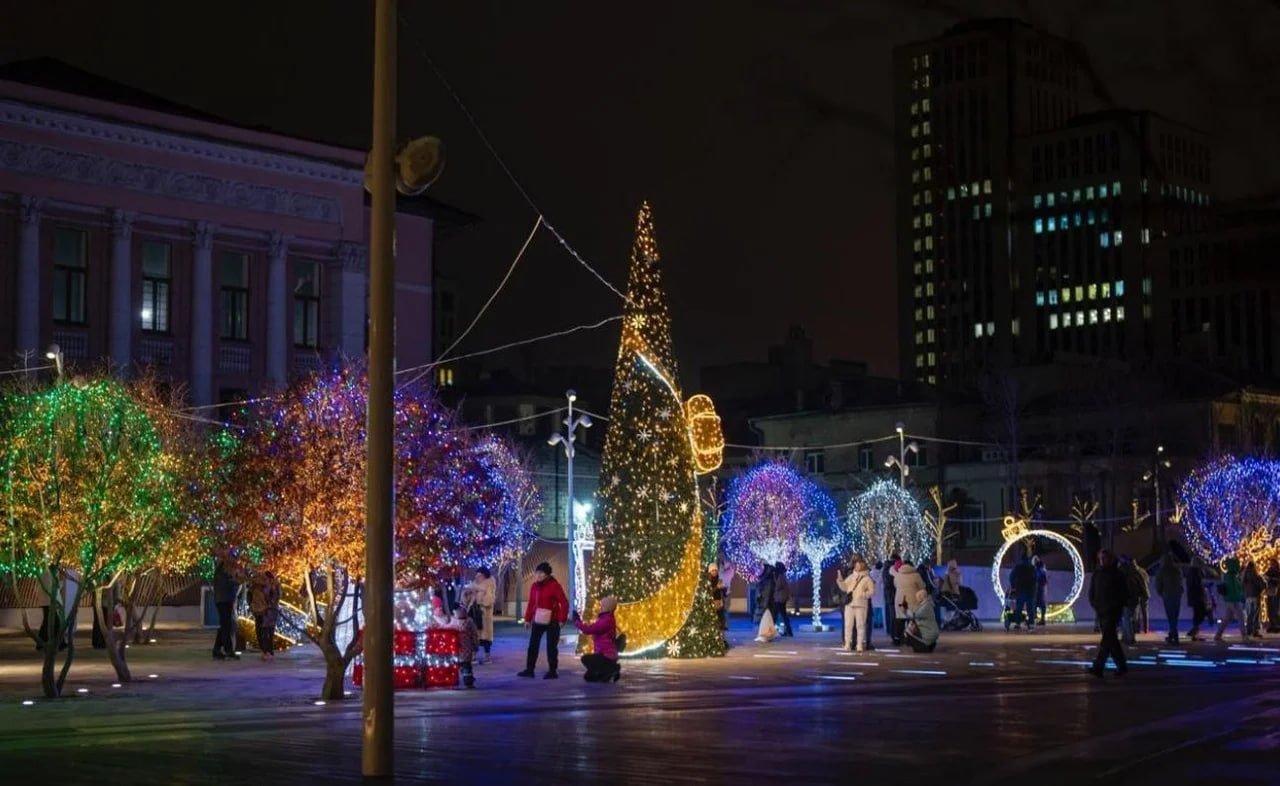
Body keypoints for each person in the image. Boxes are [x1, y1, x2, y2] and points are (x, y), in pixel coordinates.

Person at [517, 562, 568, 679]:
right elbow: (531, 603)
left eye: (541, 573)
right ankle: (529, 669)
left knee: (551, 646)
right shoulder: (534, 586)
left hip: (553, 620)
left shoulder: (554, 586)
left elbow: (564, 603)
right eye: (537, 572)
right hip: (538, 619)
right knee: (533, 645)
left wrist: (562, 619)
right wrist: (527, 619)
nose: (538, 575)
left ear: (547, 574)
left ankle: (552, 671)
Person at [1089, 549, 1130, 678]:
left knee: (1107, 639)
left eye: (1105, 558)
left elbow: (1123, 593)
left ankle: (1098, 667)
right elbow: (1092, 592)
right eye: (1101, 558)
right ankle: (1122, 666)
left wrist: (1116, 606)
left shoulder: (1117, 574)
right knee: (1111, 640)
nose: (1102, 560)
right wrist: (1095, 605)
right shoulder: (1098, 574)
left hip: (1112, 612)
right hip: (1101, 611)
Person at [573, 595, 621, 683]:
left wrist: (577, 622)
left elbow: (589, 629)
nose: (600, 607)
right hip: (603, 654)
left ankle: (612, 668)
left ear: (608, 608)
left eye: (603, 606)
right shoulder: (605, 618)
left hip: (606, 656)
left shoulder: (606, 620)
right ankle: (604, 672)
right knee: (588, 677)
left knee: (585, 659)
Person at [837, 559, 876, 652]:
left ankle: (859, 645)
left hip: (861, 605)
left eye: (859, 565)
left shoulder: (867, 578)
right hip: (850, 604)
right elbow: (845, 587)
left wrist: (864, 595)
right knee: (848, 625)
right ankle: (847, 644)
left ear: (862, 566)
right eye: (856, 565)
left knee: (860, 625)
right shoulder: (851, 577)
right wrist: (840, 581)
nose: (857, 567)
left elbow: (872, 591)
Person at [249, 569, 281, 661]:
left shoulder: (273, 585)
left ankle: (268, 650)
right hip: (261, 610)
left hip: (269, 611)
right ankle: (266, 650)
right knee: (263, 631)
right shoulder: (256, 586)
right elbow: (251, 596)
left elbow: (276, 596)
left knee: (268, 631)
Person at [211, 559, 240, 661]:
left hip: (226, 601)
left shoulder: (224, 573)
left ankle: (217, 649)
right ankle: (228, 650)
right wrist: (235, 581)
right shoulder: (221, 574)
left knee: (225, 625)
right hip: (223, 601)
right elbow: (228, 584)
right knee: (226, 626)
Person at [892, 560, 926, 643]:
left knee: (900, 619)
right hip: (912, 600)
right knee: (912, 620)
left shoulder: (897, 575)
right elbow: (922, 586)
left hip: (900, 599)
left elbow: (895, 585)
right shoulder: (916, 575)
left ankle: (898, 638)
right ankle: (912, 638)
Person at [1215, 558, 1247, 643]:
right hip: (1234, 600)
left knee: (1227, 618)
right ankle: (1244, 636)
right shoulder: (1232, 576)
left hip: (1230, 600)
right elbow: (1235, 589)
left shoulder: (1228, 575)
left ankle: (1218, 635)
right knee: (1241, 618)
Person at [1155, 556, 1184, 645]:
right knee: (1175, 615)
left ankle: (1174, 635)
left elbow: (1158, 583)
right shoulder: (1177, 570)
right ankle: (1172, 634)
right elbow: (1180, 581)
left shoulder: (1162, 570)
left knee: (1171, 616)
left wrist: (1160, 592)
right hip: (1177, 595)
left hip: (1167, 595)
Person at [471, 567, 496, 664]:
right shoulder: (474, 585)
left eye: (479, 575)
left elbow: (489, 601)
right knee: (475, 635)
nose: (477, 577)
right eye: (477, 575)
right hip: (475, 614)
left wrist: (479, 600)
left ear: (484, 575)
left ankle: (487, 657)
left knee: (485, 637)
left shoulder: (490, 585)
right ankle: (473, 657)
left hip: (485, 615)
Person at [1007, 554, 1037, 632]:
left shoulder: (1018, 567)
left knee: (1019, 607)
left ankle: (1018, 623)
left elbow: (1011, 577)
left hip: (1020, 589)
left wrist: (1013, 586)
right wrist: (1034, 588)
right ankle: (1031, 624)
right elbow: (1035, 579)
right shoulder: (1032, 567)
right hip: (1030, 590)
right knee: (1030, 608)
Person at [1185, 559, 1210, 641]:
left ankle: (1195, 631)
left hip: (1195, 596)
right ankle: (1194, 630)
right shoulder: (1196, 572)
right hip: (1198, 597)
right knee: (1200, 613)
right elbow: (1198, 585)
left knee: (1198, 613)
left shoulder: (1192, 572)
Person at [1243, 561, 1266, 639]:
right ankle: (1255, 631)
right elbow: (1263, 585)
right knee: (1256, 615)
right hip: (1255, 596)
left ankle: (1249, 630)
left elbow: (1242, 585)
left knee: (1249, 614)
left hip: (1248, 597)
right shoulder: (1256, 576)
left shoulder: (1245, 577)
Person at [881, 554, 899, 644]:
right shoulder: (892, 568)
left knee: (891, 615)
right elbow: (890, 582)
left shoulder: (885, 568)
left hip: (888, 595)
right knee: (894, 616)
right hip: (893, 594)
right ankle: (894, 634)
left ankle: (891, 632)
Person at [772, 562, 794, 637]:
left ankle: (771, 629)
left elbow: (778, 586)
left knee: (777, 615)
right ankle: (788, 631)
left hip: (780, 599)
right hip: (781, 598)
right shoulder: (782, 576)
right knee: (782, 615)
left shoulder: (781, 576)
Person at [706, 563, 728, 632]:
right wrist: (717, 587)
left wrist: (724, 588)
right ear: (710, 571)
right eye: (713, 570)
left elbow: (724, 593)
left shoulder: (719, 579)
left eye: (715, 570)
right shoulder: (708, 581)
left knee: (721, 615)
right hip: (712, 601)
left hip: (719, 601)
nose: (714, 572)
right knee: (714, 616)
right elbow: (709, 592)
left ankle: (722, 626)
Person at [1032, 556, 1049, 626]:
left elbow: (1036, 579)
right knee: (1042, 604)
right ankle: (1041, 619)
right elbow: (1045, 580)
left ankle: (1037, 618)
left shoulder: (1037, 570)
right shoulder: (1043, 570)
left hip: (1038, 589)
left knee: (1036, 603)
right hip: (1042, 589)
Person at [1266, 559, 1280, 634]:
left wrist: (1271, 579)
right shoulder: (1269, 570)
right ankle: (1272, 624)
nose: (1271, 565)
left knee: (1275, 609)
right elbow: (1265, 576)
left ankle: (1276, 625)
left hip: (1275, 592)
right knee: (1270, 609)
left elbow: (1278, 580)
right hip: (1270, 592)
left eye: (1272, 563)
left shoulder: (1277, 571)